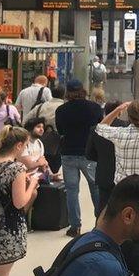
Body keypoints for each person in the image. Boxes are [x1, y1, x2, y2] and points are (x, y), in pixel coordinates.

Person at [0, 126, 39, 276]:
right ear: (18, 145)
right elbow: (20, 202)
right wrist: (32, 184)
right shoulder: (17, 169)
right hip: (7, 233)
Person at [55, 79, 104, 237]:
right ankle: (101, 223)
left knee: (71, 191)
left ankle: (74, 226)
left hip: (68, 153)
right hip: (89, 153)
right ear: (83, 90)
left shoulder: (61, 110)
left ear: (67, 92)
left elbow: (60, 130)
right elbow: (101, 128)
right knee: (95, 188)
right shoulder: (94, 108)